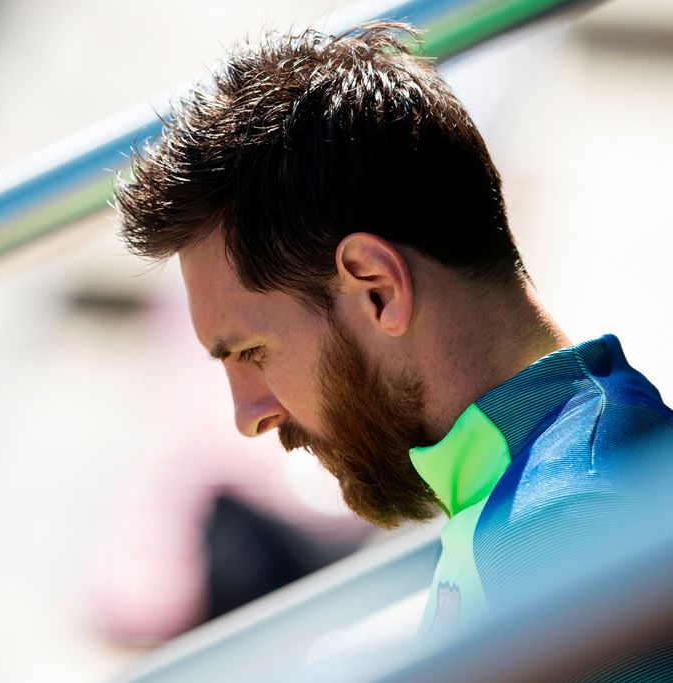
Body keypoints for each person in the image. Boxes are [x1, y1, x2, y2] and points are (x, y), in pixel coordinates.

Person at [112, 21, 673, 631]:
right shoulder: (528, 487)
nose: (250, 415)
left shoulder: (569, 524)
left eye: (252, 352)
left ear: (377, 288)